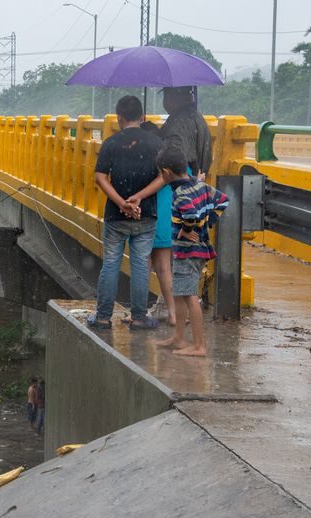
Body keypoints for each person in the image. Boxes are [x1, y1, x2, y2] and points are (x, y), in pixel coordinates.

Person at [87, 95, 163, 330]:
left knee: (111, 263)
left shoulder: (111, 143)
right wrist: (139, 197)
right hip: (146, 213)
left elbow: (100, 177)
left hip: (116, 215)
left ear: (119, 117)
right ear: (142, 117)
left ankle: (102, 317)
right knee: (140, 264)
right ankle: (139, 317)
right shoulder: (156, 143)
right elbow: (164, 176)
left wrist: (122, 203)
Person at [142, 86, 214, 324]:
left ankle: (175, 313)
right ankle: (174, 310)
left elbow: (172, 162)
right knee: (178, 257)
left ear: (178, 96)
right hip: (195, 186)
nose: (165, 101)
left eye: (167, 95)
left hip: (174, 192)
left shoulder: (179, 123)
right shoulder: (195, 118)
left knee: (166, 255)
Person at [154, 145, 228, 356]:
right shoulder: (199, 186)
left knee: (189, 296)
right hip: (198, 250)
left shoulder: (180, 193)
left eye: (161, 173)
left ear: (166, 172)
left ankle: (198, 345)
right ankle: (178, 338)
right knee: (180, 293)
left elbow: (189, 214)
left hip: (188, 252)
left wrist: (188, 230)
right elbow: (223, 201)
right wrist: (208, 223)